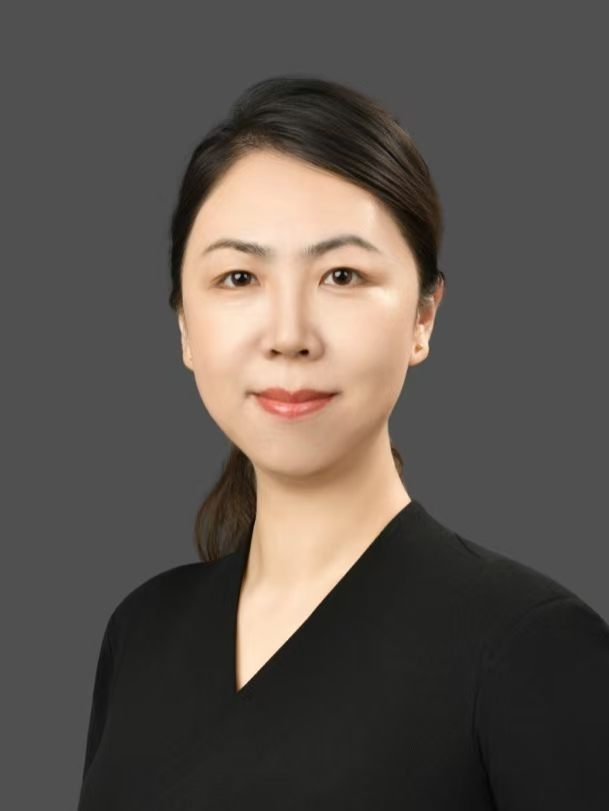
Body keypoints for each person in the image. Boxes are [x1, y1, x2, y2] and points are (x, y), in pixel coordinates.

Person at [77, 74, 609, 810]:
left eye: (341, 274)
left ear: (423, 316)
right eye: (239, 276)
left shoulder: (530, 647)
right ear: (184, 327)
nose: (289, 334)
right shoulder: (142, 631)